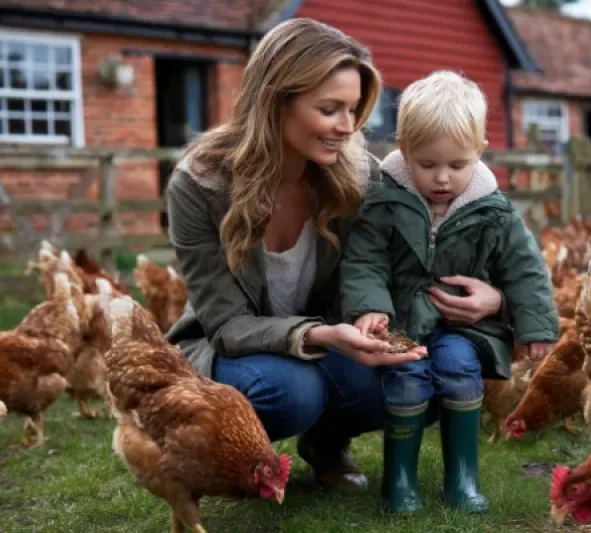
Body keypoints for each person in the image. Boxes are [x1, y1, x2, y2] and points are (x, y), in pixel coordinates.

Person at [163, 18, 506, 493]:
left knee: (419, 374)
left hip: (330, 342)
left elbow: (441, 234)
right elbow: (227, 324)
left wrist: (493, 297)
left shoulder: (359, 175)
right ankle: (225, 451)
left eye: (353, 109)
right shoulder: (200, 184)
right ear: (276, 101)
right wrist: (325, 334)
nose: (347, 127)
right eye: (330, 109)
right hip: (234, 347)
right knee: (291, 392)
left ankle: (325, 445)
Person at [339, 70, 560, 514]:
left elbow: (525, 269)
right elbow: (365, 262)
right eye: (428, 164)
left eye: (457, 166)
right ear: (404, 152)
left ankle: (463, 478)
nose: (442, 178)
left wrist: (535, 324)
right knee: (406, 381)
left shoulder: (494, 212)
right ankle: (399, 482)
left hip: (465, 330)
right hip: (402, 325)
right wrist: (370, 308)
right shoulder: (384, 203)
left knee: (460, 371)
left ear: (478, 153)